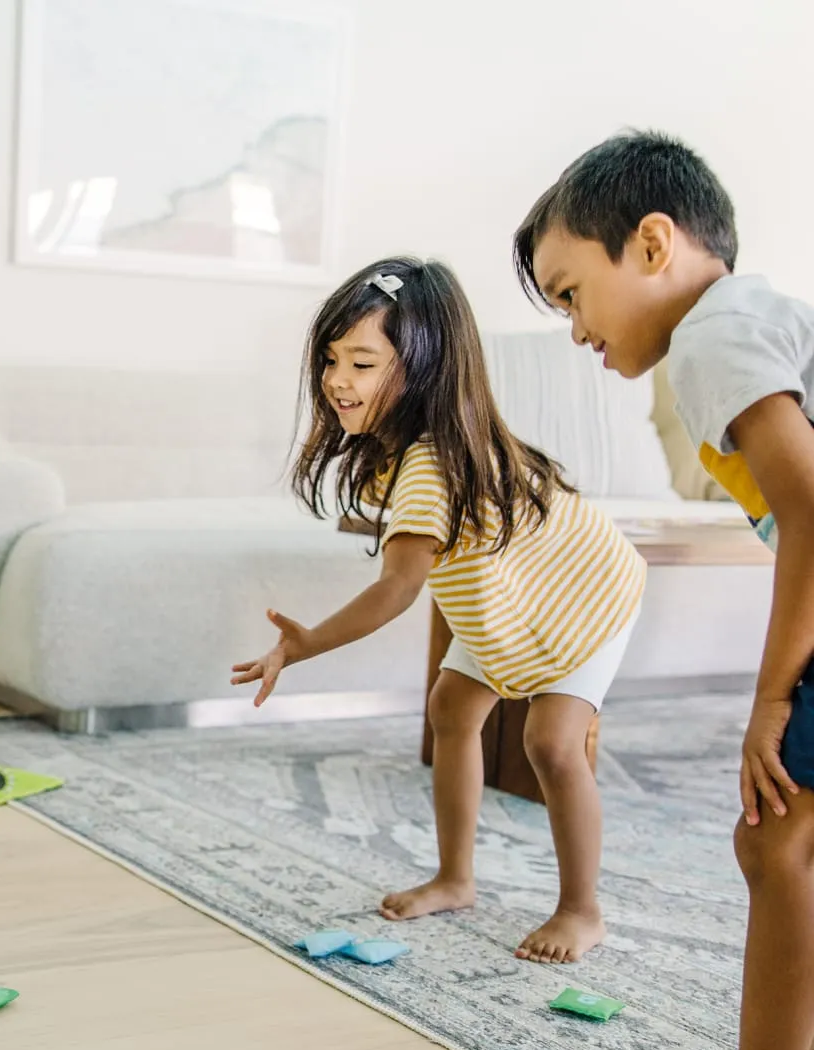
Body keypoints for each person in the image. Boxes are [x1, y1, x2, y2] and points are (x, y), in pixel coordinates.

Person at [514, 129, 814, 1050]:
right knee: (783, 844)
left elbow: (811, 508)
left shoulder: (714, 337)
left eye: (569, 292)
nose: (573, 329)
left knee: (782, 843)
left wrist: (769, 697)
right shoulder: (742, 328)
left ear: (652, 244)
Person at [232, 258, 645, 964]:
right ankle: (456, 879)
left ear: (422, 370)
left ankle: (583, 909)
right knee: (454, 709)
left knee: (550, 743)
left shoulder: (428, 465)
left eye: (362, 362)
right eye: (332, 359)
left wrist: (306, 644)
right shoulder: (410, 451)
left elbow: (397, 589)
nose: (338, 379)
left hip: (584, 594)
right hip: (509, 600)